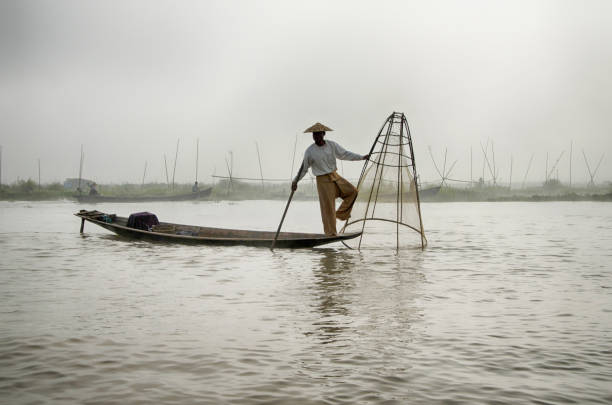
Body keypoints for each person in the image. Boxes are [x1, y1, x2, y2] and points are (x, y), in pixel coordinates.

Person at [292, 122, 369, 235]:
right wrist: (295, 181)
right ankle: (331, 233)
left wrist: (361, 157)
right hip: (322, 181)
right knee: (328, 208)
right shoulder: (310, 151)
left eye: (318, 134)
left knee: (353, 192)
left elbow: (345, 154)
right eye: (314, 135)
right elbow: (303, 169)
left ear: (323, 134)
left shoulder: (332, 145)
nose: (316, 137)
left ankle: (340, 214)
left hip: (334, 176)